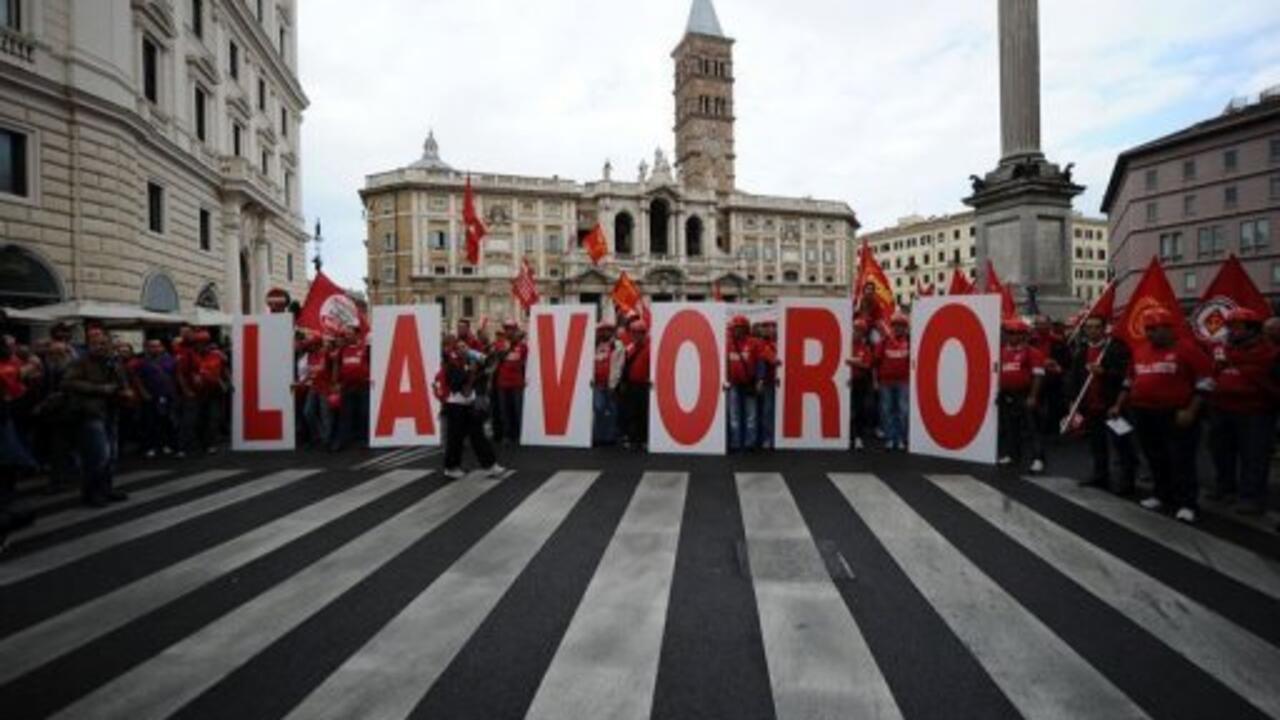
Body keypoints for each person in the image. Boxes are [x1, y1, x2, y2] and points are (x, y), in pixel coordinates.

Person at [1110, 308, 1214, 524]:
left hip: (1177, 413)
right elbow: (1129, 381)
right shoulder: (1140, 351)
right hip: (1144, 412)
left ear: (1169, 329)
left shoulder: (1188, 350)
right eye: (1148, 329)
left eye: (1156, 329)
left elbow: (1206, 382)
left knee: (1181, 459)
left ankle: (1187, 503)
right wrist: (1118, 404)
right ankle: (1161, 494)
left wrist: (1191, 411)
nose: (1152, 334)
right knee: (1155, 456)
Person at [1206, 308, 1279, 515]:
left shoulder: (1269, 353)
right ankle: (1225, 488)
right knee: (1221, 453)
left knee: (1253, 457)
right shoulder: (1223, 351)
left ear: (1252, 329)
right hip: (1221, 410)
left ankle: (1252, 498)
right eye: (1229, 327)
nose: (1231, 331)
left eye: (1236, 327)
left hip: (1255, 413)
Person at [1068, 314, 1138, 495]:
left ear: (1104, 328)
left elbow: (1127, 375)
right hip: (1092, 408)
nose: (1092, 331)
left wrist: (1104, 372)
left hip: (1113, 407)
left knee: (1122, 445)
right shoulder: (1081, 352)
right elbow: (1075, 378)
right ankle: (1100, 477)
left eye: (1096, 327)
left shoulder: (1115, 349)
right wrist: (1073, 402)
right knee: (1097, 445)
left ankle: (1127, 482)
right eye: (1089, 327)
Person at [62, 333, 131, 507]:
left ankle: (106, 489)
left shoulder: (113, 362)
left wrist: (124, 390)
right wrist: (100, 389)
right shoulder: (81, 362)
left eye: (104, 344)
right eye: (96, 344)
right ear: (89, 346)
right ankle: (91, 493)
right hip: (90, 412)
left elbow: (122, 382)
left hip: (111, 410)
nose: (100, 347)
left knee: (112, 455)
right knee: (99, 455)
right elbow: (68, 382)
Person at [434, 338, 505, 479]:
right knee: (455, 438)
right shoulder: (451, 365)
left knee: (478, 435)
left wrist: (485, 367)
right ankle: (451, 467)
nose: (463, 349)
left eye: (465, 346)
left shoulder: (468, 362)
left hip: (468, 404)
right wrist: (472, 372)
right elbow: (461, 387)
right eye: (460, 347)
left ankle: (490, 465)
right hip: (455, 406)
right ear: (455, 350)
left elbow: (483, 371)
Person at [997, 318, 1046, 473]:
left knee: (1032, 428)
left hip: (1025, 394)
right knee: (1011, 428)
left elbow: (1038, 375)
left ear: (1024, 335)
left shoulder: (1032, 352)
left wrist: (1032, 396)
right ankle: (1013, 455)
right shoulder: (1001, 351)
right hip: (1007, 395)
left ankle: (1038, 459)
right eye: (1010, 333)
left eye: (1017, 333)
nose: (1013, 336)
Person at [135, 338, 179, 458]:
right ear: (148, 348)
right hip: (151, 396)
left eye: (157, 346)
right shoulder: (142, 362)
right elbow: (137, 378)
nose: (155, 348)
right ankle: (150, 446)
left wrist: (174, 393)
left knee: (166, 421)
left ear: (162, 347)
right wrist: (143, 393)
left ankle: (166, 444)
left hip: (167, 396)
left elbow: (176, 376)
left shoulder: (170, 360)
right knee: (150, 422)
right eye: (152, 346)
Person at [876, 313, 911, 451]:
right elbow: (876, 361)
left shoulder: (910, 342)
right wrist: (876, 380)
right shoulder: (884, 341)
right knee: (886, 410)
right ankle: (890, 438)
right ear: (892, 327)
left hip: (903, 381)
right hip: (886, 382)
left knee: (903, 411)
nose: (898, 328)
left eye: (901, 326)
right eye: (896, 325)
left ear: (905, 327)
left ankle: (901, 438)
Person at [725, 315, 760, 452]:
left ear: (746, 329)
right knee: (734, 415)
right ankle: (735, 443)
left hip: (749, 384)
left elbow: (760, 362)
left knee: (751, 415)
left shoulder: (753, 343)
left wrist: (760, 380)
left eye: (740, 328)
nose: (737, 331)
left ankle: (750, 443)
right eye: (735, 328)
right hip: (733, 384)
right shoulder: (728, 344)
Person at [332, 329, 371, 452]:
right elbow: (337, 366)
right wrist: (336, 382)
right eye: (346, 334)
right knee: (345, 415)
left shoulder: (365, 348)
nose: (347, 336)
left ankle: (364, 440)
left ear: (357, 334)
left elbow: (372, 363)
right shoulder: (342, 350)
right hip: (347, 386)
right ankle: (342, 441)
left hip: (362, 386)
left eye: (350, 334)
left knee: (363, 413)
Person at [591, 320, 625, 446]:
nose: (604, 332)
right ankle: (598, 436)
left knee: (612, 411)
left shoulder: (617, 345)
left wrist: (614, 384)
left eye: (607, 329)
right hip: (597, 384)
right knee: (598, 409)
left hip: (611, 384)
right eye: (602, 330)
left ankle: (610, 438)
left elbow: (618, 366)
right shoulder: (595, 345)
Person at [494, 321, 527, 446]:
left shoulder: (523, 346)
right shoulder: (500, 344)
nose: (509, 331)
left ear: (516, 330)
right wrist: (510, 345)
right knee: (504, 411)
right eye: (507, 329)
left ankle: (519, 435)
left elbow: (526, 362)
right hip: (502, 384)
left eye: (512, 329)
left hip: (517, 384)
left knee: (517, 410)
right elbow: (500, 356)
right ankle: (507, 436)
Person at [620, 319, 651, 450]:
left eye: (639, 332)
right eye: (634, 332)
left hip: (644, 385)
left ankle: (643, 439)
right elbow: (624, 366)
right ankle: (633, 439)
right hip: (631, 385)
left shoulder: (651, 348)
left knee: (643, 413)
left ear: (644, 333)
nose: (636, 335)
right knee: (631, 413)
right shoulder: (630, 348)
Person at [846, 319, 875, 451]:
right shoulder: (846, 345)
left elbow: (867, 365)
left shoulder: (865, 347)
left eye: (860, 330)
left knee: (859, 411)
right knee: (846, 411)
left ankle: (858, 438)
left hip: (859, 383)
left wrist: (853, 363)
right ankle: (845, 437)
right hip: (845, 383)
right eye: (856, 329)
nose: (857, 333)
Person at [756, 321, 780, 450]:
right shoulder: (760, 343)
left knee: (770, 411)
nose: (768, 329)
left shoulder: (779, 343)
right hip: (766, 383)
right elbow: (771, 360)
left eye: (772, 327)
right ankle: (766, 439)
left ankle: (772, 438)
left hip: (776, 382)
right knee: (765, 411)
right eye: (765, 327)